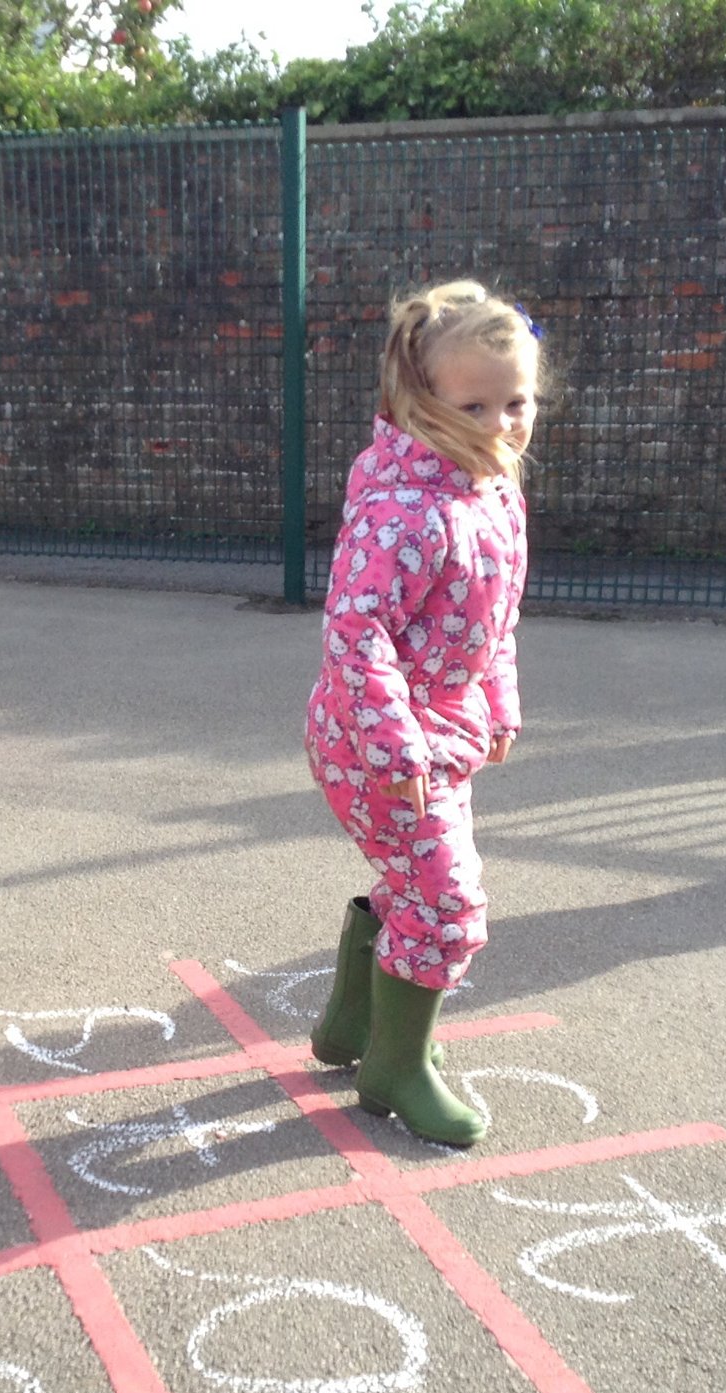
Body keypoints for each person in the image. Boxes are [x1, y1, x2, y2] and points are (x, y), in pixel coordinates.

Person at [304, 280, 539, 1147]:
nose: (502, 422)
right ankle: (395, 1068)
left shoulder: (494, 497)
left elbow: (495, 621)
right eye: (474, 404)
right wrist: (397, 745)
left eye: (517, 401)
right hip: (372, 742)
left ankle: (349, 1030)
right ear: (419, 401)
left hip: (440, 734)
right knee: (448, 905)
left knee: (415, 882)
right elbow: (355, 634)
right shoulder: (408, 511)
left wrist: (498, 701)